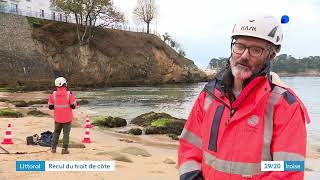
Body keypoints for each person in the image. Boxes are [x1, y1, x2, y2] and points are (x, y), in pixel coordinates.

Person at [178, 14, 310, 180]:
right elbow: (189, 146)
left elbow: (290, 167)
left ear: (271, 55)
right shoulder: (209, 95)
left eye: (255, 50)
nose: (244, 55)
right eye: (240, 46)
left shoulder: (285, 105)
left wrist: (265, 166)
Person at [48, 77, 77, 154]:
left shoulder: (53, 94)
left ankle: (53, 149)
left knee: (56, 133)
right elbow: (73, 106)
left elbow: (50, 107)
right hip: (67, 118)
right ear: (64, 84)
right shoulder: (69, 94)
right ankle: (64, 149)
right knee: (66, 134)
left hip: (57, 118)